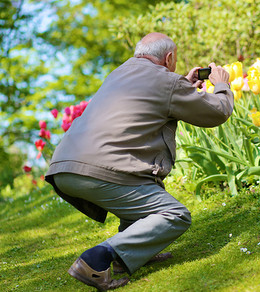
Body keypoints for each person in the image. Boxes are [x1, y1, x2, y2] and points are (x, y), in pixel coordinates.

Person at [45, 32, 233, 291]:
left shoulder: (119, 74)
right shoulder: (167, 81)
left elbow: (152, 99)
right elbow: (217, 112)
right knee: (175, 215)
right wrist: (221, 84)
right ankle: (96, 259)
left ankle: (133, 256)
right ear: (169, 58)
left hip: (64, 167)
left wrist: (182, 84)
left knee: (145, 191)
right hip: (99, 171)